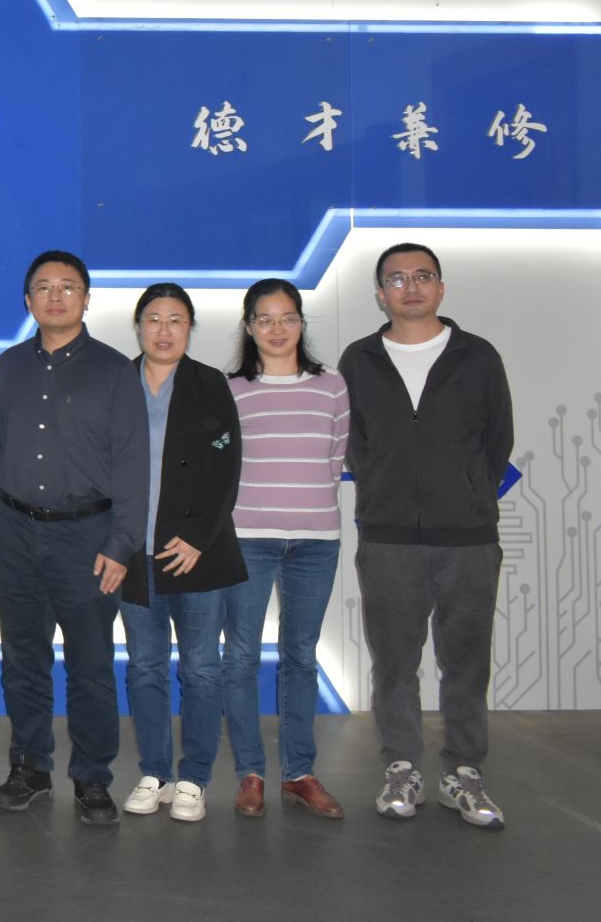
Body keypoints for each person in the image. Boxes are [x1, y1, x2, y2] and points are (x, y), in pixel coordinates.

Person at [340, 243, 514, 830]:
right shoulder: (359, 359)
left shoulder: (477, 356)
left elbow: (498, 440)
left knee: (466, 662)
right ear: (380, 293)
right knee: (394, 663)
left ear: (440, 287)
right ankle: (402, 768)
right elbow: (356, 443)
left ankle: (464, 771)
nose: (410, 287)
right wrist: (384, 490)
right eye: (397, 278)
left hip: (468, 538)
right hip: (388, 538)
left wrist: (466, 493)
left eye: (423, 276)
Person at [0, 250, 146, 826]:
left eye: (67, 287)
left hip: (89, 538)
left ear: (86, 299)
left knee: (91, 664)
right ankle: (29, 766)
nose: (55, 296)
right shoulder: (9, 365)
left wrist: (122, 543)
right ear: (28, 300)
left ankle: (93, 777)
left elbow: (133, 465)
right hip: (15, 534)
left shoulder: (114, 370)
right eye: (44, 287)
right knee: (22, 660)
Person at [221, 278, 349, 819]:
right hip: (248, 539)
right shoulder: (230, 390)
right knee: (241, 657)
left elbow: (335, 460)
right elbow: (220, 462)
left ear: (301, 323)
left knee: (300, 656)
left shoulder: (332, 386)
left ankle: (299, 773)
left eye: (288, 318)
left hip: (316, 543)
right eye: (265, 319)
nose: (277, 329)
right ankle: (250, 773)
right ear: (249, 326)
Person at [117, 283, 245, 824]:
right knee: (144, 668)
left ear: (190, 328)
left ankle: (194, 778)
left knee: (200, 670)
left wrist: (196, 537)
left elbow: (225, 469)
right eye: (153, 319)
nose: (164, 330)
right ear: (138, 326)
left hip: (196, 553)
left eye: (176, 320)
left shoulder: (209, 384)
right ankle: (154, 772)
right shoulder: (117, 382)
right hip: (134, 555)